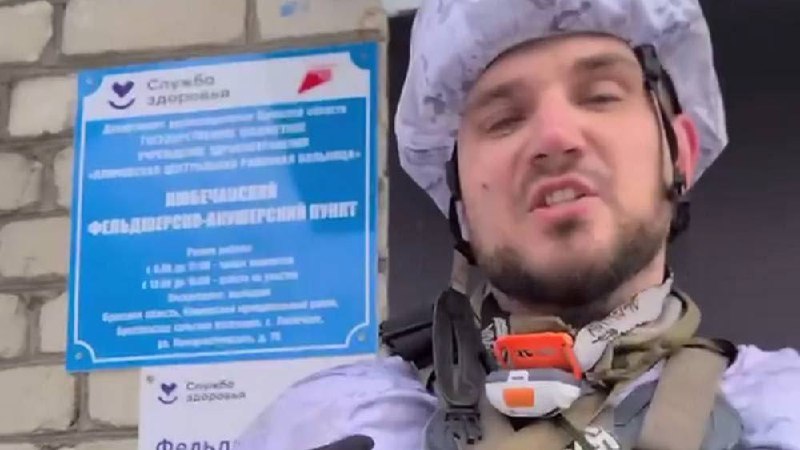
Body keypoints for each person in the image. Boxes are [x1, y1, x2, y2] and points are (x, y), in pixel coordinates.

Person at [235, 0, 800, 449]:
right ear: (459, 197)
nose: (555, 137)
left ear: (681, 151)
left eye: (600, 96)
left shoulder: (784, 411)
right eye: (504, 119)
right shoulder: (325, 427)